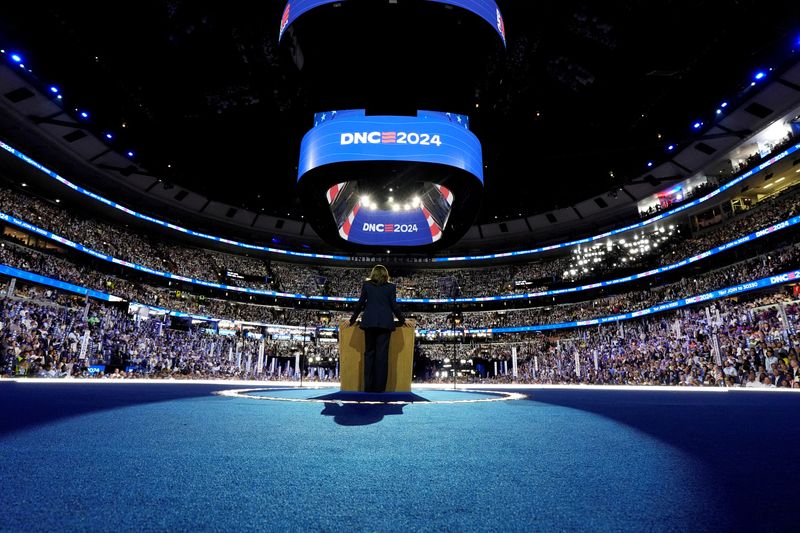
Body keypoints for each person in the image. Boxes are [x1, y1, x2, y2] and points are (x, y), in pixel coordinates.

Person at [349, 265, 407, 392]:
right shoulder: (391, 287)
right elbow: (394, 306)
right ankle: (380, 389)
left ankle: (368, 388)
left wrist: (352, 319)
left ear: (373, 274)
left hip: (369, 323)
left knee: (369, 354)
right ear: (386, 275)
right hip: (384, 325)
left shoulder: (367, 285)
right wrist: (402, 320)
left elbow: (360, 303)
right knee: (382, 357)